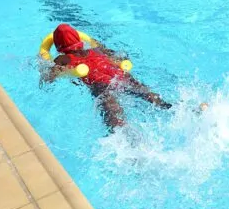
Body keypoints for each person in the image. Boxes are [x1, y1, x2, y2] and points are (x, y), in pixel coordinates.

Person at [42, 24, 171, 131]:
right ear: (79, 40)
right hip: (118, 74)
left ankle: (126, 139)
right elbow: (113, 54)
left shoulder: (63, 58)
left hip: (101, 84)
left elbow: (48, 77)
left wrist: (44, 66)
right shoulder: (96, 50)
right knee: (145, 93)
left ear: (59, 47)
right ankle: (169, 107)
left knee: (114, 116)